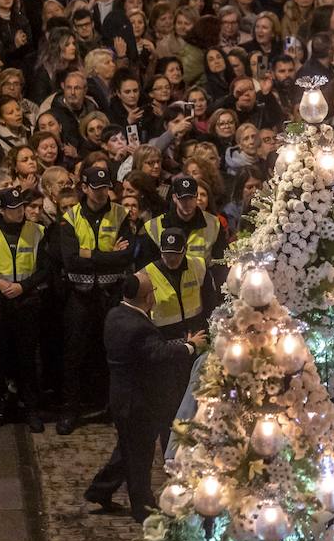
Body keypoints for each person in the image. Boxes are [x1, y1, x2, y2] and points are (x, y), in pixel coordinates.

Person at [83, 273, 206, 521]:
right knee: (139, 458)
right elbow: (158, 353)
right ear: (147, 298)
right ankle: (143, 507)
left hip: (122, 398)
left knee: (127, 449)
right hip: (137, 403)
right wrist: (190, 345)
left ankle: (100, 490)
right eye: (152, 292)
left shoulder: (116, 314)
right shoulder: (137, 327)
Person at [54, 165, 142, 435]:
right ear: (84, 188)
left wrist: (89, 254)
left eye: (105, 188)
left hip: (110, 294)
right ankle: (70, 410)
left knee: (112, 352)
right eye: (96, 188)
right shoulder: (71, 217)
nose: (102, 193)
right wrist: (105, 255)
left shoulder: (120, 214)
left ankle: (111, 408)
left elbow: (125, 258)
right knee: (74, 354)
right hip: (79, 295)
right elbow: (70, 261)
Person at [0, 185, 49, 434]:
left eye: (21, 207)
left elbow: (45, 268)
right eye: (13, 209)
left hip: (26, 304)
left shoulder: (37, 231)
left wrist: (23, 287)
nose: (19, 212)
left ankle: (30, 409)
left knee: (27, 360)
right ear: (1, 210)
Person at [139, 227, 220, 423]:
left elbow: (211, 302)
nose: (171, 259)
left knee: (195, 395)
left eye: (176, 254)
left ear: (184, 250)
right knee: (168, 402)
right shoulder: (147, 274)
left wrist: (210, 333)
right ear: (161, 251)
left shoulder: (198, 266)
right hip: (165, 343)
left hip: (196, 338)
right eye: (167, 254)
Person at [141, 173, 227, 266]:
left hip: (201, 278)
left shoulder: (214, 224)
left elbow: (222, 261)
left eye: (191, 198)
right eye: (183, 198)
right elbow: (148, 266)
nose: (187, 203)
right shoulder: (154, 226)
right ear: (174, 198)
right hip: (166, 279)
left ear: (196, 197)